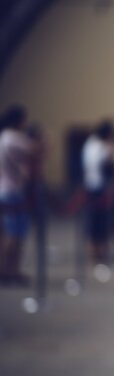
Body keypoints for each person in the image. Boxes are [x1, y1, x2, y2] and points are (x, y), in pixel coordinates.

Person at [0, 105, 35, 286]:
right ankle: (8, 271)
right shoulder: (14, 138)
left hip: (5, 189)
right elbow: (35, 151)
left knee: (8, 233)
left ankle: (9, 270)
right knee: (15, 234)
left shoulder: (3, 137)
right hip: (13, 191)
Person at [82, 119, 114, 267]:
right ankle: (99, 254)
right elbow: (109, 165)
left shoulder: (89, 145)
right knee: (100, 223)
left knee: (93, 222)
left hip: (90, 186)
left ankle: (95, 254)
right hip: (100, 187)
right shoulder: (102, 147)